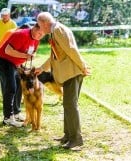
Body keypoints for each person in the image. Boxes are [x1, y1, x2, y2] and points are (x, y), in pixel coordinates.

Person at [35, 12, 90, 149]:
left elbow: (71, 50)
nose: (40, 29)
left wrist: (83, 66)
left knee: (70, 105)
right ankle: (68, 135)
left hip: (72, 72)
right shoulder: (55, 31)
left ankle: (76, 138)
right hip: (67, 74)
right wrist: (42, 68)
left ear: (44, 23)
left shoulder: (58, 30)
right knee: (67, 105)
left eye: (40, 26)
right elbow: (55, 55)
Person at [0, 23, 44, 127]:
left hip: (16, 63)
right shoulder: (21, 34)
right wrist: (26, 56)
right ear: (34, 28)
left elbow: (33, 52)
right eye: (39, 33)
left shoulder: (36, 39)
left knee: (19, 87)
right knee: (10, 88)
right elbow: (8, 50)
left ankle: (16, 113)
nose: (41, 36)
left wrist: (32, 56)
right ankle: (8, 118)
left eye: (43, 34)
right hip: (3, 60)